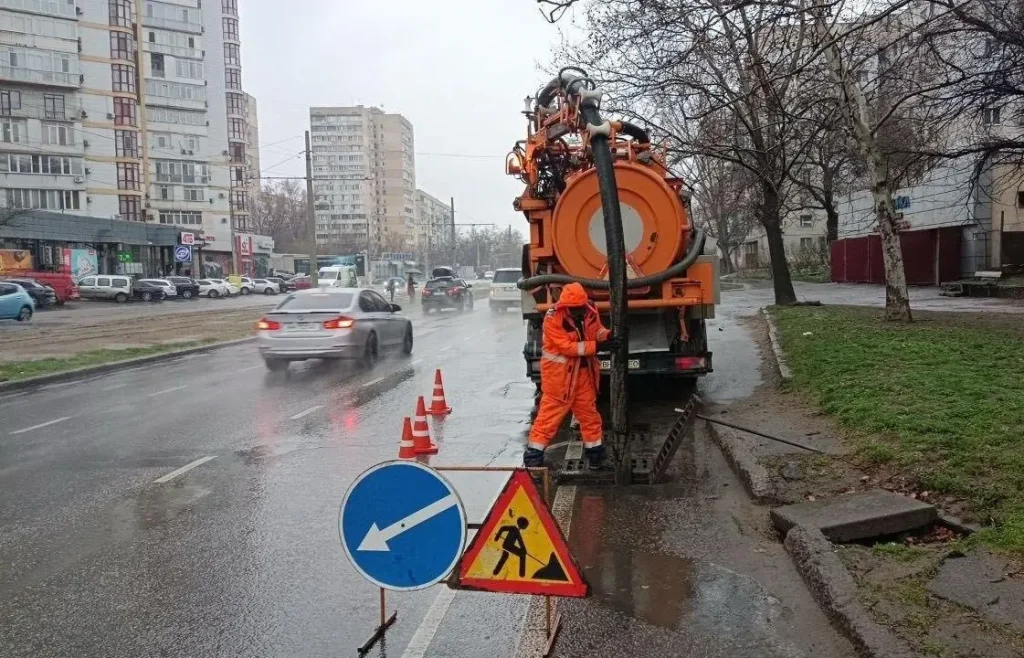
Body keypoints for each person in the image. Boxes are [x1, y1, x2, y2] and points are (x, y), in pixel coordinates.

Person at [524, 282, 618, 469]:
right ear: (565, 305)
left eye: (580, 307)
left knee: (589, 416)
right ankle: (533, 460)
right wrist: (598, 347)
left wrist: (607, 336)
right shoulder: (553, 318)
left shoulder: (590, 310)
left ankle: (596, 458)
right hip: (559, 379)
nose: (578, 311)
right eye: (574, 309)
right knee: (547, 420)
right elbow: (567, 347)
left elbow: (596, 331)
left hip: (583, 375)